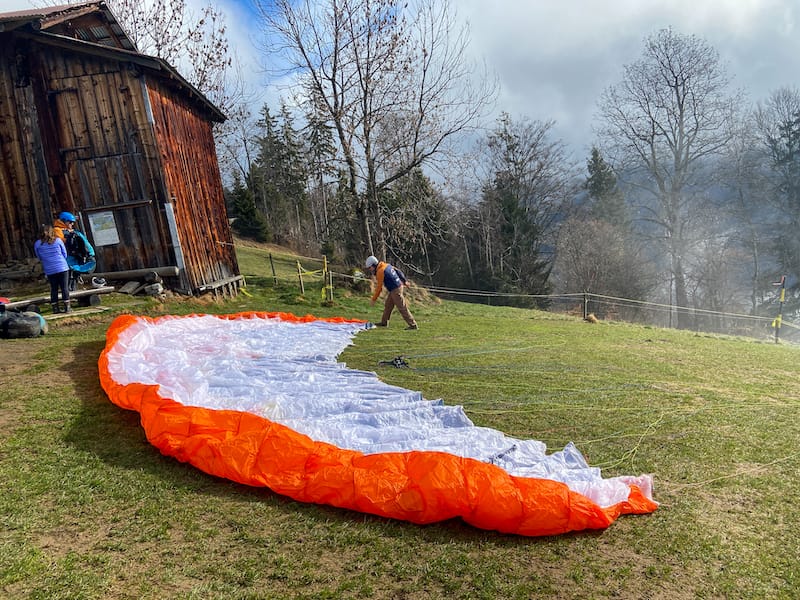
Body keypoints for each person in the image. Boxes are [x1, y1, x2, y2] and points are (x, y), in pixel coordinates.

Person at [365, 255, 418, 330]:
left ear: (374, 265)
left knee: (402, 307)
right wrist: (404, 281)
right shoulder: (386, 265)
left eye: (370, 268)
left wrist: (374, 299)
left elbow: (379, 288)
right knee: (388, 305)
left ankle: (413, 325)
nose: (370, 270)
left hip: (395, 289)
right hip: (397, 287)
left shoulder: (380, 271)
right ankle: (384, 322)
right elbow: (398, 271)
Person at [34, 225, 71, 313]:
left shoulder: (37, 244)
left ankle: (55, 308)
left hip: (49, 269)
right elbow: (64, 254)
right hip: (62, 267)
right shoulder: (58, 241)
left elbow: (38, 257)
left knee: (54, 288)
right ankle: (67, 308)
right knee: (64, 288)